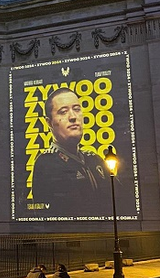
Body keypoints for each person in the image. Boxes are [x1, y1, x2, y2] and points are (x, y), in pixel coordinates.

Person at [32, 88, 109, 217]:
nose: (73, 117)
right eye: (63, 112)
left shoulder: (94, 159)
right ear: (49, 122)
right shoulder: (47, 164)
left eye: (77, 109)